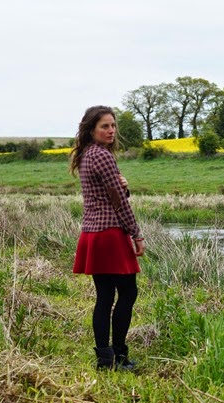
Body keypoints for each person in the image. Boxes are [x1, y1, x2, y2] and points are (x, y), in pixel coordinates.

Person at [70, 105, 146, 370]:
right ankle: (120, 355)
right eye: (105, 126)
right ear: (91, 129)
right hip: (111, 234)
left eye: (113, 125)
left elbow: (111, 193)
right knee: (128, 292)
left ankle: (105, 358)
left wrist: (123, 186)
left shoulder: (86, 155)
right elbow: (118, 203)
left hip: (92, 233)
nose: (111, 130)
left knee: (104, 296)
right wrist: (136, 233)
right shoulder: (102, 156)